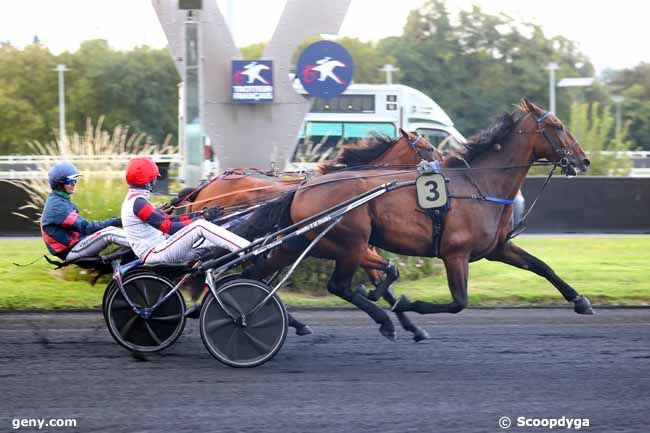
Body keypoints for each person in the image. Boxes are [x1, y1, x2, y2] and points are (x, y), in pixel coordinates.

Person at [121, 157, 250, 264]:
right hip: (156, 253)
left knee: (213, 232)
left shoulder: (136, 199)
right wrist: (201, 219)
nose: (155, 180)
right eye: (154, 178)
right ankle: (246, 249)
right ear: (147, 181)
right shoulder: (138, 203)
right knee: (200, 226)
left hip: (161, 247)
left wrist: (201, 214)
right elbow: (169, 227)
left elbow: (170, 219)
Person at [40, 162, 128, 262]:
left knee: (110, 235)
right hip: (70, 251)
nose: (74, 184)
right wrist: (115, 221)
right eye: (71, 181)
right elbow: (87, 227)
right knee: (109, 233)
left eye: (75, 180)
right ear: (60, 184)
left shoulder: (59, 199)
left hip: (75, 245)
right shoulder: (58, 207)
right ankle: (142, 245)